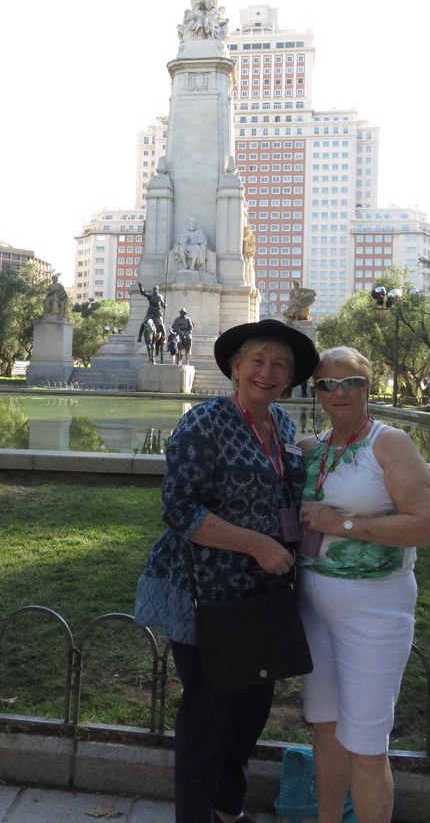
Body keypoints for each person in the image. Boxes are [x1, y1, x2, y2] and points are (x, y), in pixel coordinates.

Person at [135, 320, 319, 823]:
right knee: (208, 721)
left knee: (249, 717)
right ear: (236, 368)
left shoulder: (281, 426)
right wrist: (257, 544)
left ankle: (227, 810)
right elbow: (179, 510)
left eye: (279, 364)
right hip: (206, 595)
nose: (267, 372)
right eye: (257, 361)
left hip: (261, 597)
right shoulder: (204, 423)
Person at [296, 346, 430, 823]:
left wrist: (345, 527)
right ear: (315, 393)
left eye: (351, 382)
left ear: (368, 387)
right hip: (314, 610)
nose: (339, 392)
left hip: (374, 612)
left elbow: (425, 526)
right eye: (327, 384)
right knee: (325, 729)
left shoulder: (390, 444)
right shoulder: (315, 448)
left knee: (365, 746)